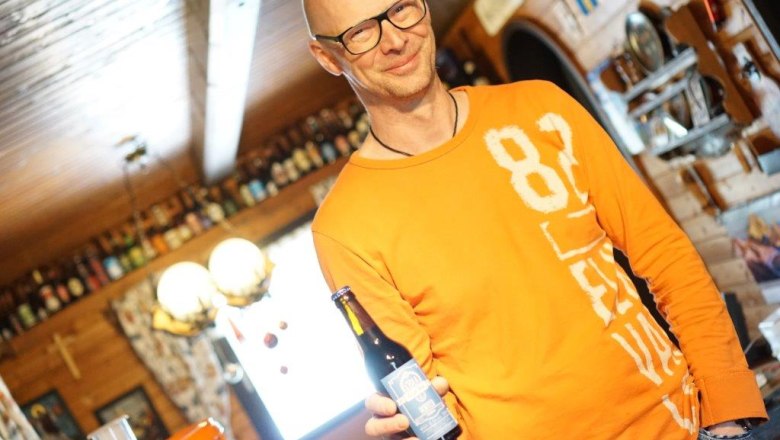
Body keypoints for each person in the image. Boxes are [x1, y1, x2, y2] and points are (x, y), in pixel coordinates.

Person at [302, 0, 768, 438]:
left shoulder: (543, 108)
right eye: (361, 31)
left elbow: (666, 258)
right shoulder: (344, 227)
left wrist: (729, 411)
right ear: (327, 56)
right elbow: (425, 396)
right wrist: (408, 428)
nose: (395, 39)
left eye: (401, 8)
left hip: (680, 423)